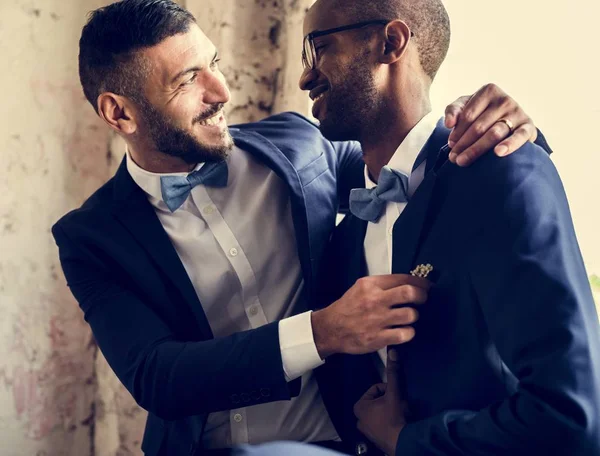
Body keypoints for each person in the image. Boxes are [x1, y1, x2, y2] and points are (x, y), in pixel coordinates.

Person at [52, 0, 551, 454]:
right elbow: (158, 376)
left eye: (215, 65)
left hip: (343, 440)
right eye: (187, 80)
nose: (222, 92)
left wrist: (493, 126)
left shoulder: (298, 147)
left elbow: (412, 158)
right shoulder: (90, 239)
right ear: (119, 112)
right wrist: (324, 331)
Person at [293, 0, 600, 455]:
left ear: (391, 43)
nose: (305, 76)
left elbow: (574, 418)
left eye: (319, 48)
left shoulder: (501, 170)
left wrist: (407, 442)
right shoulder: (344, 237)